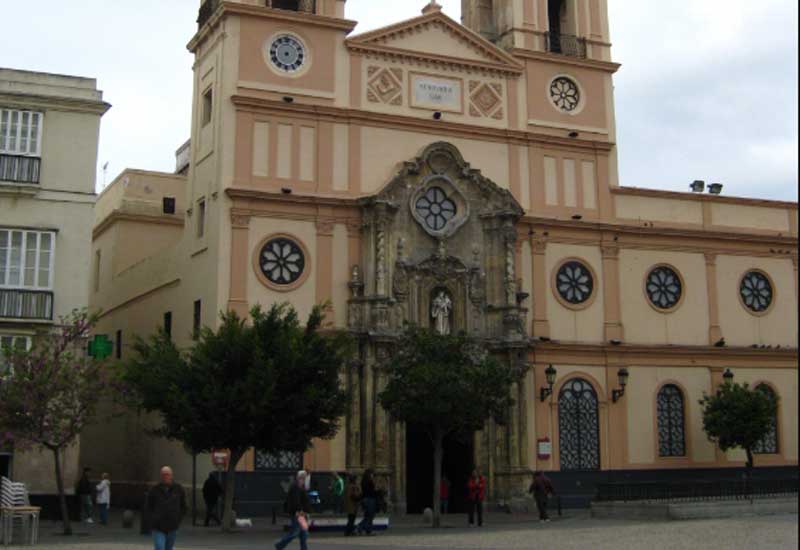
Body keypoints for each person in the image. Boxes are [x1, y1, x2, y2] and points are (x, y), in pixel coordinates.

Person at [147, 466, 187, 550]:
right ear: (161, 476)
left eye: (167, 474)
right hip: (158, 527)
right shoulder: (154, 490)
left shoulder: (178, 489)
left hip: (172, 526)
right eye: (163, 475)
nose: (166, 477)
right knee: (160, 547)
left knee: (168, 548)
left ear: (171, 475)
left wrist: (178, 519)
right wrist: (153, 519)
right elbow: (148, 506)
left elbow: (184, 506)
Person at [275, 470, 312, 550]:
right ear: (300, 478)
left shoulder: (300, 486)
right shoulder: (296, 487)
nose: (305, 479)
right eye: (304, 478)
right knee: (295, 532)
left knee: (303, 533)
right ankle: (280, 545)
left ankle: (304, 548)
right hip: (299, 513)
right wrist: (300, 510)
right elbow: (296, 500)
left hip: (301, 513)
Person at [356, 468, 377, 536]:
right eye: (372, 474)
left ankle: (369, 530)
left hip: (365, 499)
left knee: (368, 515)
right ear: (369, 474)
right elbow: (372, 491)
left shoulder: (363, 481)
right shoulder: (370, 481)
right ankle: (360, 526)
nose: (373, 475)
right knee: (370, 516)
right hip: (370, 499)